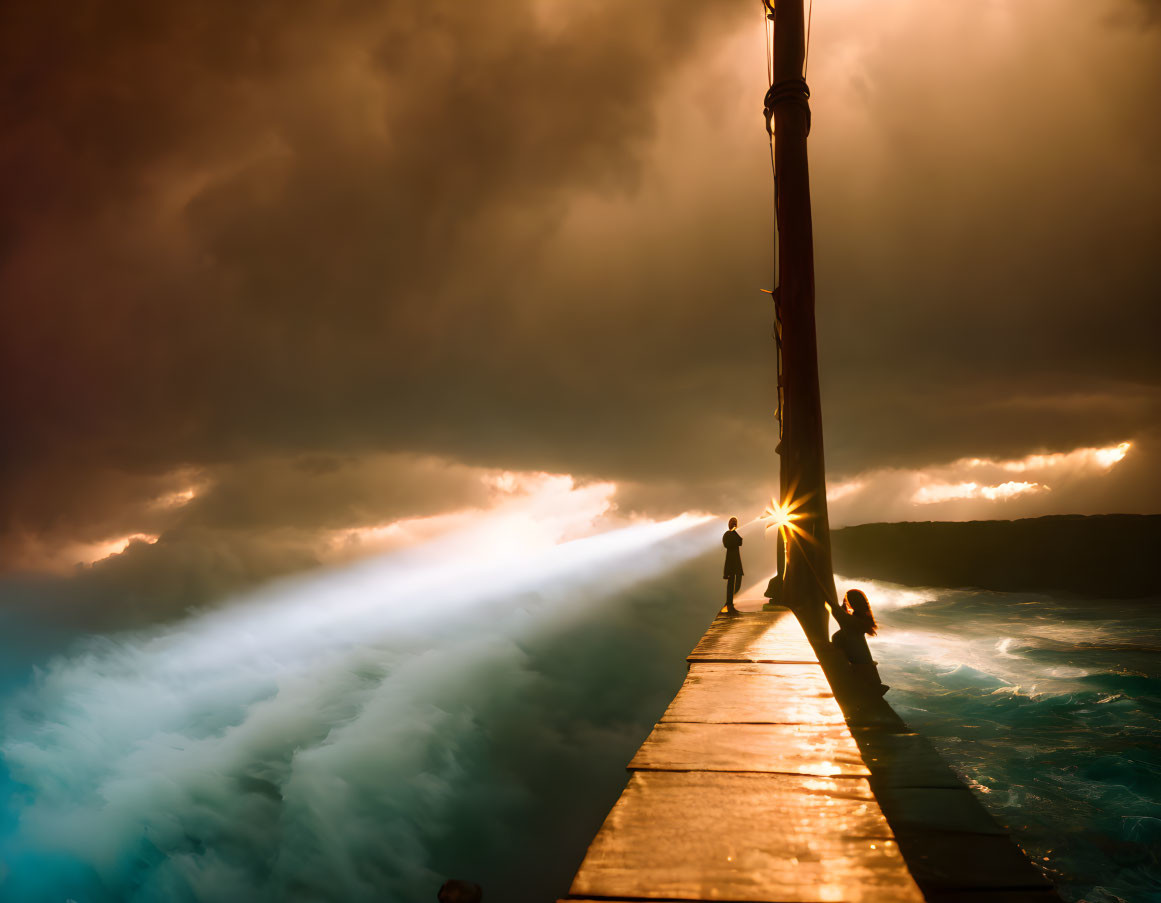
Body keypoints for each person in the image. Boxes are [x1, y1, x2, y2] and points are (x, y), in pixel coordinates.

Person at [828, 588, 889, 695]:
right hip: (864, 666)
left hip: (861, 669)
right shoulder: (858, 620)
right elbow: (838, 612)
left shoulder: (851, 622)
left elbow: (834, 609)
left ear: (850, 603)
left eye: (847, 600)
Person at [722, 517, 743, 612]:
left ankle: (732, 600)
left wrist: (734, 531)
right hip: (731, 561)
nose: (734, 524)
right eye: (733, 522)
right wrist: (732, 532)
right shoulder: (727, 534)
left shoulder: (734, 534)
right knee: (731, 582)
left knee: (738, 580)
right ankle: (729, 601)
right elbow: (727, 544)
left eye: (735, 523)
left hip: (736, 561)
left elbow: (740, 541)